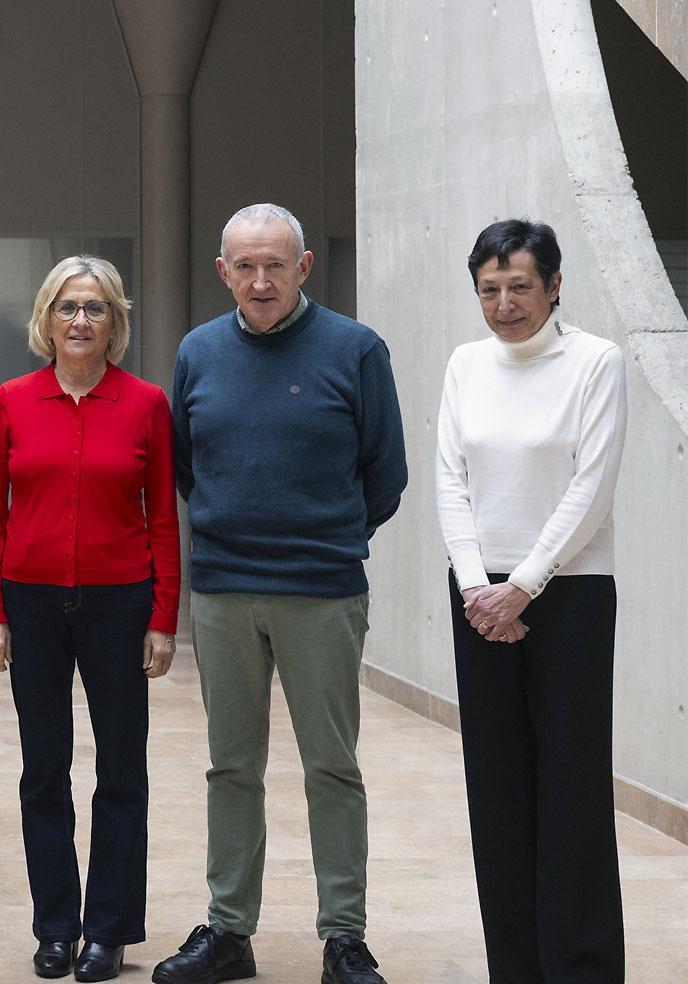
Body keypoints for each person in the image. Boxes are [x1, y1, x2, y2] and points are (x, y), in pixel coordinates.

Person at [154, 203, 405, 984]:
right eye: (245, 266)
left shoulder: (355, 349)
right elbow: (187, 467)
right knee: (231, 767)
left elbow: (386, 472)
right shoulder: (198, 352)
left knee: (331, 767)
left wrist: (324, 536)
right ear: (222, 272)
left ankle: (344, 938)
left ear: (304, 268)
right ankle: (229, 930)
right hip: (224, 594)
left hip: (321, 592)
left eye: (275, 265)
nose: (260, 280)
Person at [0, 256, 179, 983]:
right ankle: (56, 926)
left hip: (120, 603)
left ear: (114, 321)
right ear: (46, 318)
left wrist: (163, 617)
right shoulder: (11, 401)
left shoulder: (146, 403)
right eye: (68, 307)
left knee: (121, 769)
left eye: (95, 308)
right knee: (43, 769)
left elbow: (163, 519)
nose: (81, 320)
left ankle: (109, 930)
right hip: (30, 603)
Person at [436, 219, 626, 983]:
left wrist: (524, 585)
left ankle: (581, 968)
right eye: (490, 289)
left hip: (570, 594)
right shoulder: (465, 364)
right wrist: (476, 586)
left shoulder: (595, 362)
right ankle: (515, 968)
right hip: (480, 597)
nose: (505, 304)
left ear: (554, 285)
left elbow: (592, 486)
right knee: (498, 790)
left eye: (520, 287)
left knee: (572, 789)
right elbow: (450, 479)